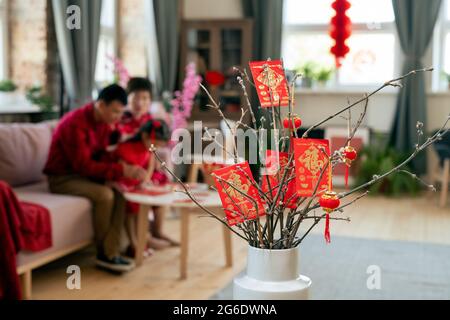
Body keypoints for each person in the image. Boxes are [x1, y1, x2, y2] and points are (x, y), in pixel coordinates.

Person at [43, 84, 147, 273]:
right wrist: (119, 170)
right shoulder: (75, 124)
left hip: (84, 175)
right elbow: (83, 165)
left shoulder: (104, 124)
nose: (117, 117)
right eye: (114, 111)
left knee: (121, 193)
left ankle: (112, 251)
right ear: (100, 105)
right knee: (105, 195)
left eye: (120, 113)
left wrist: (119, 170)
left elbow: (101, 156)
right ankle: (105, 254)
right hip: (63, 178)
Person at [112, 119, 178, 258]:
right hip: (123, 180)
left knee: (161, 186)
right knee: (133, 201)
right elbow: (121, 170)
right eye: (154, 144)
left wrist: (146, 180)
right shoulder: (126, 148)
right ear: (144, 136)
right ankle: (135, 243)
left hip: (139, 180)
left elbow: (149, 166)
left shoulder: (149, 149)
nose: (155, 148)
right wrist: (138, 182)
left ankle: (156, 231)